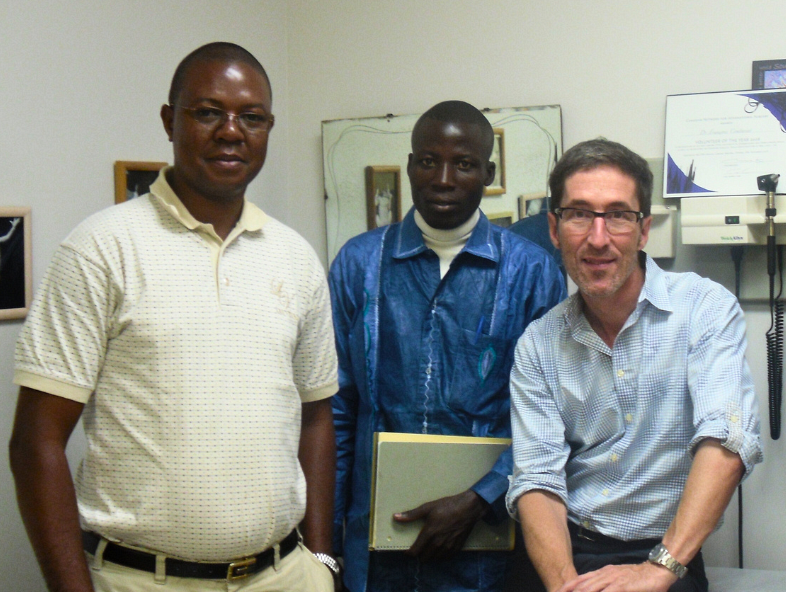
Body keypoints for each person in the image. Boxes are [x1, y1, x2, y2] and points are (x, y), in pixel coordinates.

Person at [10, 42, 339, 592]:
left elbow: (316, 416)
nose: (231, 131)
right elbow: (35, 442)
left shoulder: (295, 257)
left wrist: (323, 561)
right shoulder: (101, 248)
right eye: (208, 112)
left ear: (268, 128)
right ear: (169, 121)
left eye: (251, 117)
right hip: (144, 581)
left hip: (285, 577)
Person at [506, 138, 763, 592]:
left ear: (644, 231)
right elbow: (537, 479)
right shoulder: (538, 345)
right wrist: (566, 584)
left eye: (618, 216)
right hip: (565, 550)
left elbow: (726, 441)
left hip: (667, 552)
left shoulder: (704, 310)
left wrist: (659, 568)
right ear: (554, 227)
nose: (597, 238)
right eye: (579, 214)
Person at [329, 100, 566, 592]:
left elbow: (550, 411)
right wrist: (327, 542)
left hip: (486, 548)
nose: (442, 178)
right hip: (374, 552)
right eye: (427, 160)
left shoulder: (532, 271)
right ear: (410, 165)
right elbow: (336, 410)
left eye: (463, 163)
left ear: (487, 171)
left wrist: (482, 498)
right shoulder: (358, 263)